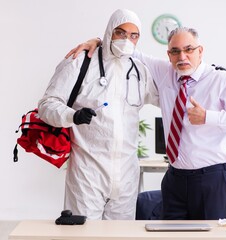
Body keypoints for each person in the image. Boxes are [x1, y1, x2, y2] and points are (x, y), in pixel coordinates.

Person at [66, 27, 226, 220]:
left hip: (211, 179)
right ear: (169, 54)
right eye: (175, 51)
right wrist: (99, 42)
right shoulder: (165, 71)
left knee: (211, 236)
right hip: (175, 179)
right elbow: (129, 50)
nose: (182, 56)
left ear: (200, 51)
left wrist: (208, 117)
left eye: (189, 49)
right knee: (170, 235)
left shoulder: (220, 79)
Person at [38, 9, 159, 220]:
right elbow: (47, 105)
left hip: (126, 175)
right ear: (109, 31)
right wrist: (72, 116)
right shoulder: (80, 62)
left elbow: (166, 98)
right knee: (84, 234)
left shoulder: (139, 71)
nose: (127, 39)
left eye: (133, 35)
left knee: (121, 235)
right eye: (120, 33)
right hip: (87, 172)